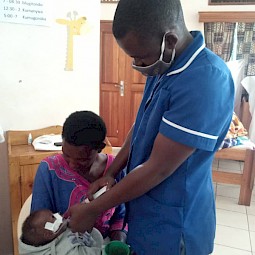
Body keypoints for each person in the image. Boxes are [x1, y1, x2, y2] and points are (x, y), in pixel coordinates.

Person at [67, 0, 235, 254]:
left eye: (141, 57)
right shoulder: (163, 66)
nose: (138, 66)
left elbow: (158, 169)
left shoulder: (205, 80)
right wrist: (112, 171)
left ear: (169, 40)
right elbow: (142, 126)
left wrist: (93, 209)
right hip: (146, 213)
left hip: (175, 225)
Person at [31, 111, 127, 242]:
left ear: (100, 148)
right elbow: (38, 224)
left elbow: (121, 216)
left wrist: (117, 242)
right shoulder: (49, 170)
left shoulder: (116, 169)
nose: (72, 164)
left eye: (82, 159)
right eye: (66, 155)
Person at [19, 209, 103, 255]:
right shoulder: (65, 250)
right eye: (53, 217)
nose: (57, 215)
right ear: (49, 233)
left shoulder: (63, 230)